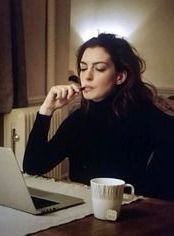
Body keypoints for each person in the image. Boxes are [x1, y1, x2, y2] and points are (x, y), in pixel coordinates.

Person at [23, 33, 174, 200]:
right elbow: (33, 166)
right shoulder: (79, 119)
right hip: (82, 209)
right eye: (83, 67)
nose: (87, 76)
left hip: (129, 213)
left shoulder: (146, 116)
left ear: (120, 77)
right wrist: (46, 111)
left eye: (99, 68)